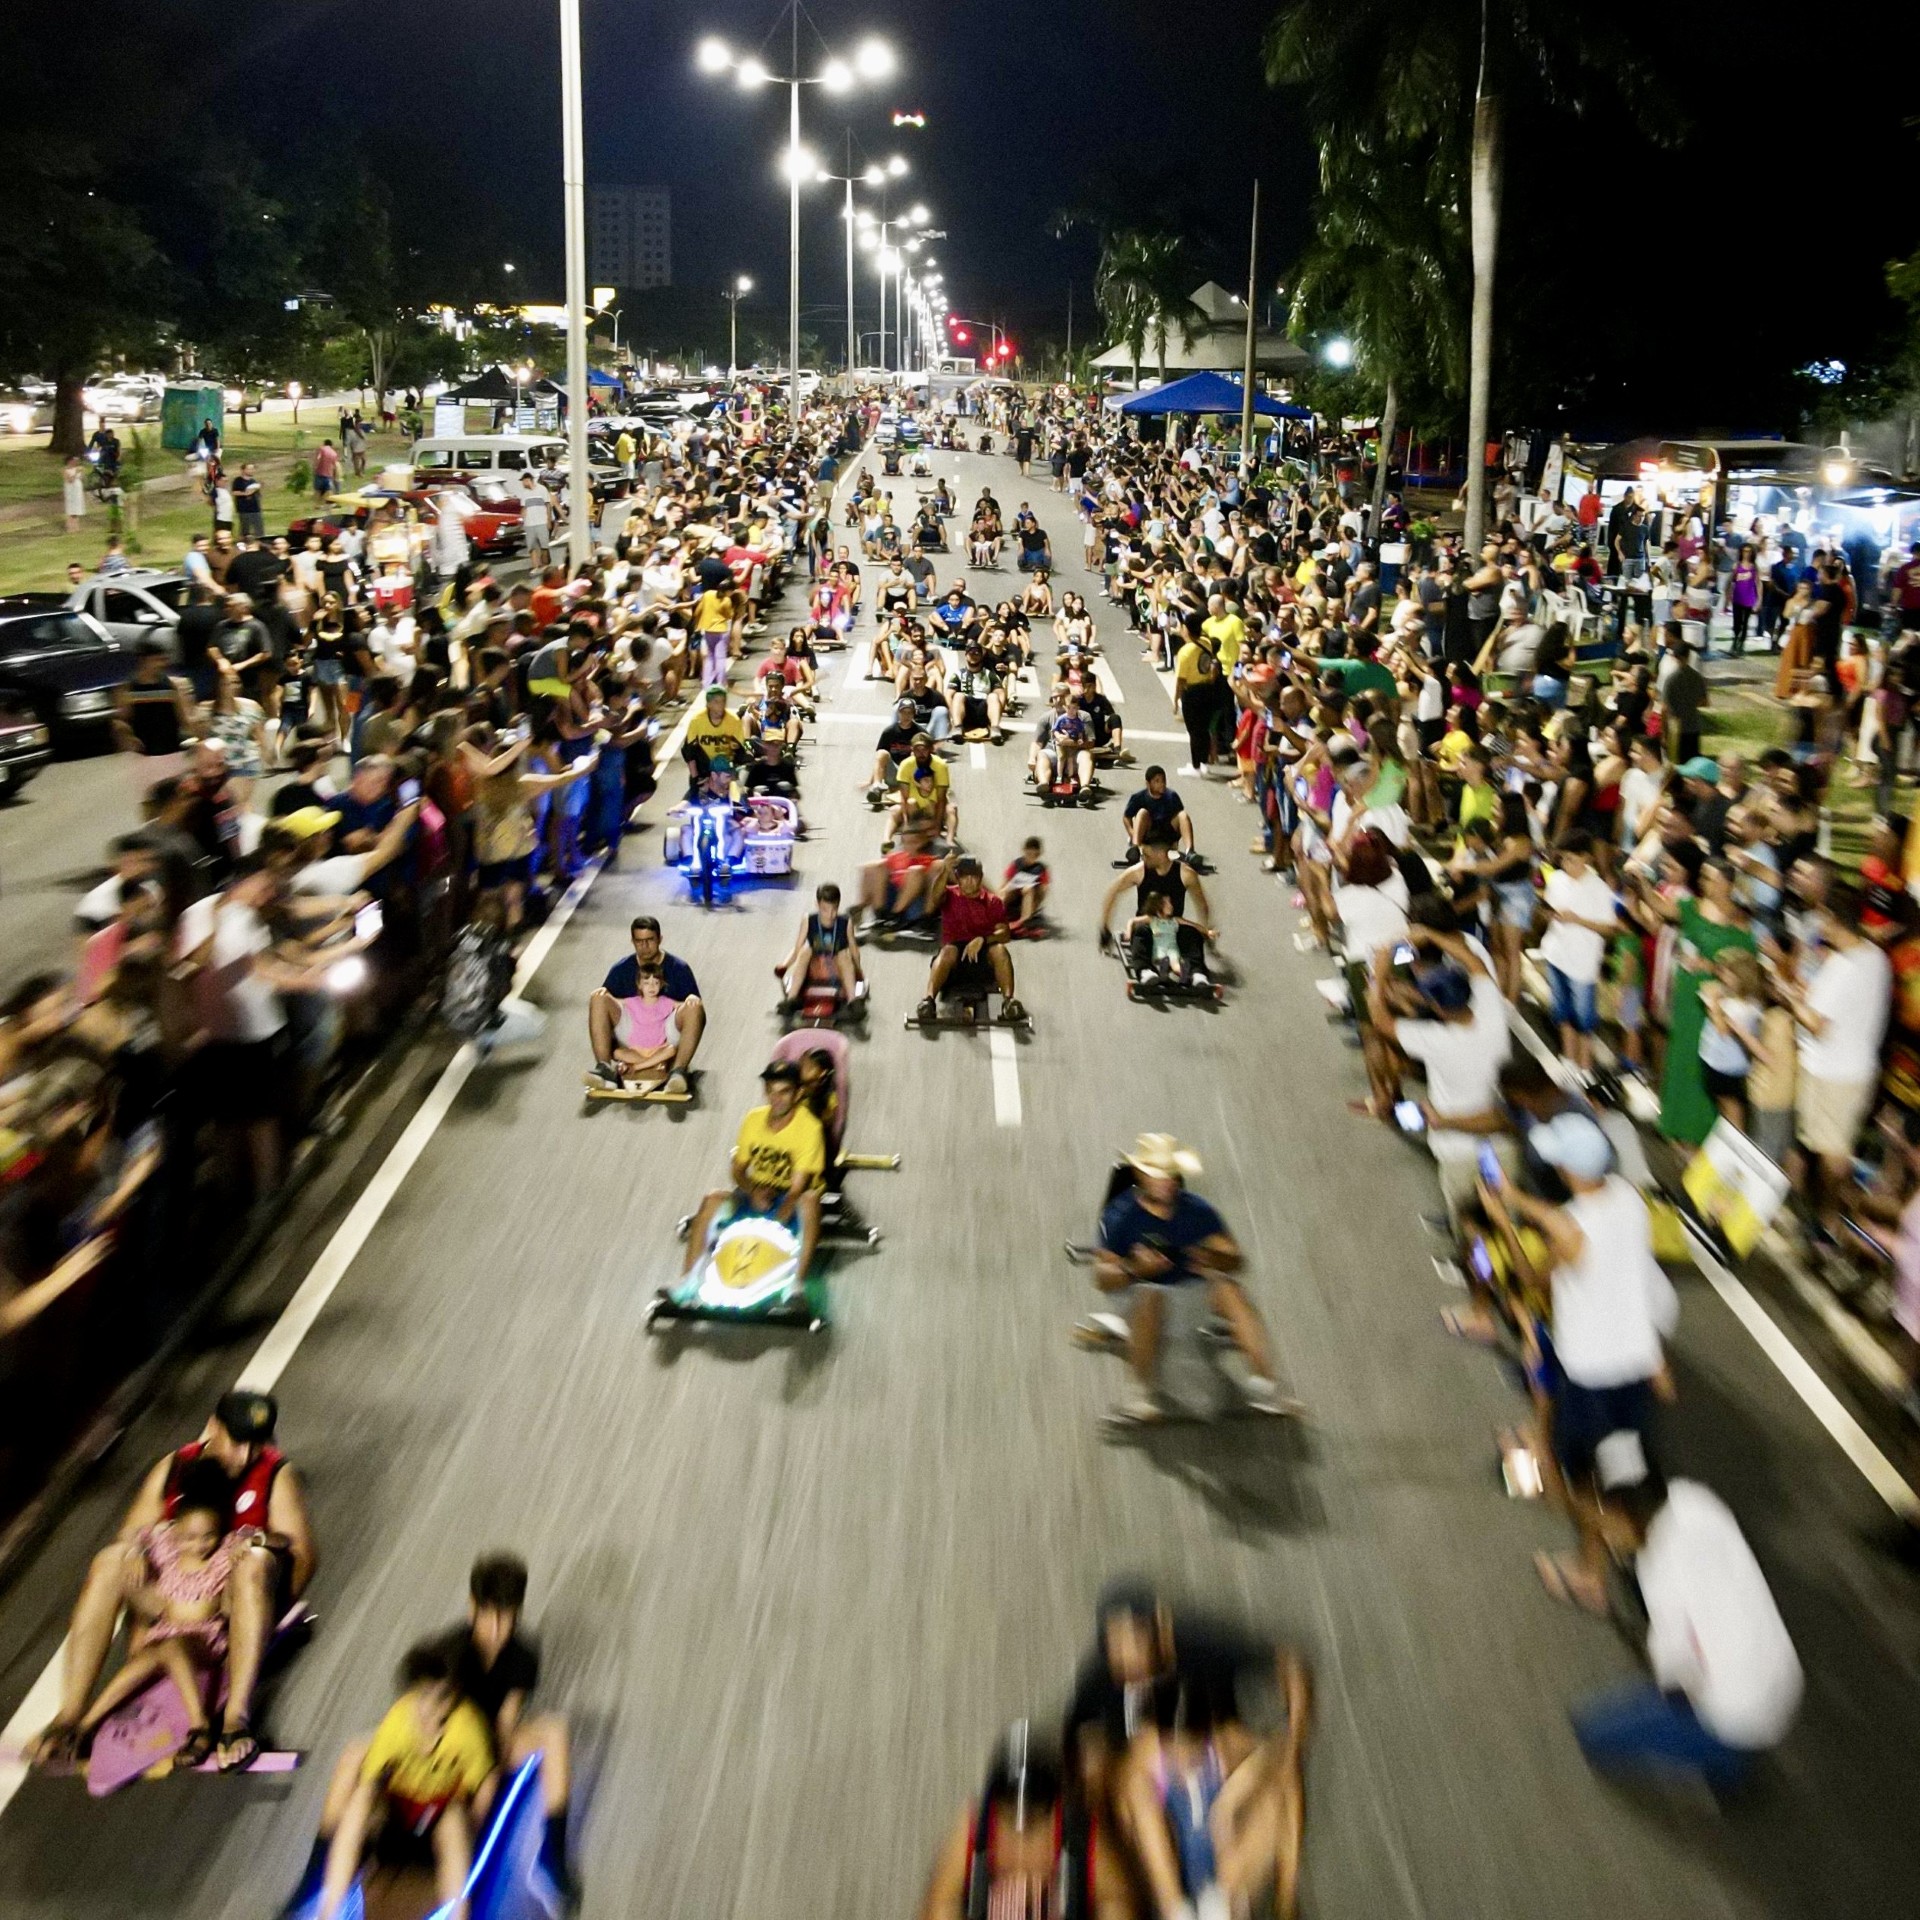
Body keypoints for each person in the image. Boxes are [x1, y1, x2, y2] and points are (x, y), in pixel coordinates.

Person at [25, 1389, 315, 1773]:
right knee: (110, 1560)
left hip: (229, 1602)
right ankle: (71, 1715)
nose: (244, 1456)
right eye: (236, 1442)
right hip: (174, 1596)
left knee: (256, 1562)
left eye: (255, 1444)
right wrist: (133, 1554)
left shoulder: (276, 1474)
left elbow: (304, 1557)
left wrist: (265, 1615)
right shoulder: (175, 1466)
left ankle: (234, 1720)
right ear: (214, 1428)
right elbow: (132, 1532)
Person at [1479, 1112, 1679, 1615]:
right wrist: (1518, 1200)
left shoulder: (1569, 1234)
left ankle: (1623, 1541)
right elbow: (1566, 1222)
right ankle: (1593, 1566)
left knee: (1572, 1483)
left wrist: (1504, 1222)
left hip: (1589, 1379)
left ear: (1568, 1170)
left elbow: (1531, 1277)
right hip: (1633, 1371)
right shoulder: (1629, 1201)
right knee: (1618, 1470)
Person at [1065, 1581, 1310, 1920]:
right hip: (1150, 1820)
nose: (1125, 1658)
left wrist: (1289, 1746)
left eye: (1134, 1641)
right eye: (1114, 1646)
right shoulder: (1102, 1682)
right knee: (1125, 1788)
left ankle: (1271, 1902)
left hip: (1216, 1801)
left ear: (1161, 1630)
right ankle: (1169, 1904)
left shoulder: (1200, 1651)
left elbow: (1290, 1665)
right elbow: (1080, 1749)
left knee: (1283, 1780)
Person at [1569, 1476, 1802, 1787]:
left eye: (1606, 1527)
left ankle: (1728, 1757)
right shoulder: (1694, 1499)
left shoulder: (1659, 1572)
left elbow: (1675, 1678)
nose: (1606, 1537)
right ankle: (1730, 1747)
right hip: (1784, 1677)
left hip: (1739, 1710)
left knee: (1592, 1731)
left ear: (1626, 1518)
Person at [1084, 1135, 1294, 1424]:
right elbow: (1101, 1277)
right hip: (1139, 1303)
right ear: (1140, 1174)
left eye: (1171, 1173)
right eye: (1158, 1174)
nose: (1168, 1181)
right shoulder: (1119, 1216)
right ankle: (1139, 1397)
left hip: (1186, 1298)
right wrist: (1136, 1270)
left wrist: (1214, 1259)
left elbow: (1235, 1259)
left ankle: (1268, 1388)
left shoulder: (1198, 1211)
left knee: (1229, 1290)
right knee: (1151, 1295)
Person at [70, 1461, 241, 1768]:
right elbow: (135, 1534)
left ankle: (200, 1726)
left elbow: (259, 1540)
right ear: (177, 1531)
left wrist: (254, 1544)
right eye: (190, 1537)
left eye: (208, 1536)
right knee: (143, 1661)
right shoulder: (165, 1541)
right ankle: (85, 1725)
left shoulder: (227, 1547)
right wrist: (135, 1552)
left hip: (203, 1637)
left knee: (175, 1648)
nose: (200, 1544)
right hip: (165, 1631)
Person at [311, 1641, 497, 1920]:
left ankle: (459, 1913)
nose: (430, 1711)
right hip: (399, 1808)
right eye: (423, 1697)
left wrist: (475, 1831)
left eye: (442, 1699)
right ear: (413, 1694)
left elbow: (485, 1782)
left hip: (441, 1808)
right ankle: (328, 1911)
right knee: (361, 1799)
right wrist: (368, 1823)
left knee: (455, 1819)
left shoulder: (467, 1729)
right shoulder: (396, 1723)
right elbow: (370, 1781)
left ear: (454, 1697)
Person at [440, 1554, 576, 1899]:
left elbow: (506, 1719)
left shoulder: (523, 1656)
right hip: (450, 1747)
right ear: (473, 1608)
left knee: (555, 1731)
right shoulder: (452, 1652)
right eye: (490, 1618)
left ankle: (553, 1854)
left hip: (489, 1743)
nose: (498, 1631)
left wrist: (493, 1762)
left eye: (508, 1618)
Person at [682, 1058, 826, 1284]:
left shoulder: (810, 1128)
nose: (776, 1099)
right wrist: (753, 1192)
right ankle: (688, 1282)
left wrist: (778, 1217)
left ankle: (796, 1286)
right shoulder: (753, 1119)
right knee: (712, 1199)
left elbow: (799, 1187)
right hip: (756, 1191)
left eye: (784, 1092)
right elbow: (738, 1170)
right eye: (771, 1091)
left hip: (789, 1195)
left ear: (798, 1094)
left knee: (810, 1201)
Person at [587, 915, 704, 1095]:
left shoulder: (678, 968)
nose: (645, 946)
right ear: (632, 941)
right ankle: (604, 1070)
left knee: (695, 1007)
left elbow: (693, 1012)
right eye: (639, 941)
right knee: (598, 997)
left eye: (650, 940)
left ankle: (678, 1072)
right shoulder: (622, 969)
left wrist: (691, 1001)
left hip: (665, 1033)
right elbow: (607, 1011)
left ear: (659, 939)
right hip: (633, 1030)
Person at [919, 856, 1025, 1025]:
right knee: (948, 951)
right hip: (955, 962)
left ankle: (1009, 1003)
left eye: (973, 877)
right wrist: (944, 871)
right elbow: (936, 896)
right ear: (958, 878)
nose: (968, 881)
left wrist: (983, 939)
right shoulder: (950, 896)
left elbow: (1004, 934)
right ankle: (928, 1001)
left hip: (982, 961)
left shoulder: (993, 902)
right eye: (964, 877)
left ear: (980, 878)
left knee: (999, 950)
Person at [778, 881, 863, 1011]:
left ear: (838, 906)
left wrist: (858, 971)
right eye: (825, 910)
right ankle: (792, 998)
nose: (830, 915)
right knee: (805, 951)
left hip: (837, 965)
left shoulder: (846, 923)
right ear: (817, 905)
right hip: (815, 965)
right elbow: (797, 949)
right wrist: (785, 966)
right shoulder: (808, 920)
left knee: (844, 954)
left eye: (834, 909)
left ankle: (853, 1000)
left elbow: (854, 950)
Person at [1118, 767, 1194, 865]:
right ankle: (1135, 849)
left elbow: (1180, 822)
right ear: (1148, 783)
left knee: (1183, 815)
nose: (1161, 784)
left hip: (1166, 833)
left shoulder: (1172, 796)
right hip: (1149, 834)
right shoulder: (1138, 797)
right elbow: (1126, 817)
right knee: (1142, 813)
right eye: (1157, 781)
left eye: (1163, 780)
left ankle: (1190, 852)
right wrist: (1132, 833)